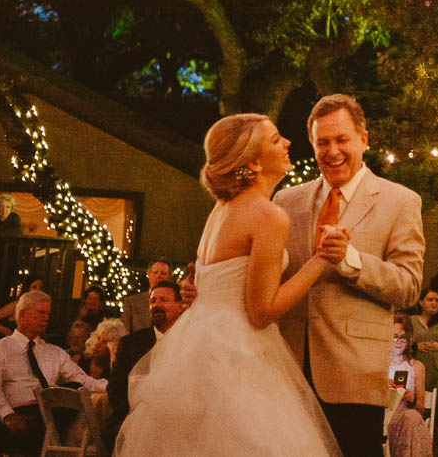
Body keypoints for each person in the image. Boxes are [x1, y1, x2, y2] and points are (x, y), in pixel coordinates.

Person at [113, 112, 345, 455]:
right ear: (252, 162)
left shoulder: (221, 210)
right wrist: (321, 259)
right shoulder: (267, 215)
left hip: (200, 347)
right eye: (275, 139)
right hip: (238, 355)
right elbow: (261, 312)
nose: (288, 143)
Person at [275, 93, 427, 457]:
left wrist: (352, 262)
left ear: (363, 139)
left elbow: (409, 287)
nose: (332, 151)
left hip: (355, 377)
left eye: (341, 139)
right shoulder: (285, 201)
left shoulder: (400, 201)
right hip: (285, 372)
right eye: (322, 142)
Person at [0, 289, 106, 456]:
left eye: (48, 313)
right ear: (22, 314)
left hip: (47, 417)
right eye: (40, 312)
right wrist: (8, 415)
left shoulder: (54, 352)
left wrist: (110, 386)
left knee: (74, 387)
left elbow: (82, 379)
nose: (46, 317)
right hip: (11, 417)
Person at [103, 283, 182, 446]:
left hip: (178, 419)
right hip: (133, 419)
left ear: (180, 306)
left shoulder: (189, 342)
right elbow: (115, 389)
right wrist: (140, 416)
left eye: (164, 300)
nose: (157, 305)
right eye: (153, 301)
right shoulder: (131, 343)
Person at [387, 315, 432, 457]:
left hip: (407, 421)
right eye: (394, 336)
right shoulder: (380, 365)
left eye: (403, 337)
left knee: (411, 416)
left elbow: (421, 409)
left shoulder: (416, 367)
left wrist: (411, 398)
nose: (398, 342)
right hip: (384, 419)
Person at [409, 287, 438, 419]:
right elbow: (399, 344)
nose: (434, 303)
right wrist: (417, 347)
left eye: (437, 300)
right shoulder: (411, 321)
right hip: (419, 375)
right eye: (430, 300)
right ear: (421, 302)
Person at [121, 259, 173, 333]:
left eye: (163, 273)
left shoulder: (175, 302)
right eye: (155, 272)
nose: (159, 276)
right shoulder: (132, 302)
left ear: (169, 277)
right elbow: (124, 331)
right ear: (148, 275)